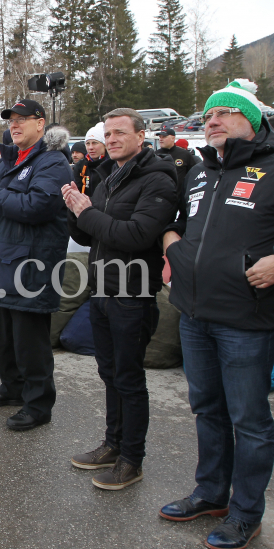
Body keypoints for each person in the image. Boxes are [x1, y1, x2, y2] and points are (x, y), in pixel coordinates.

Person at [160, 79, 274, 549]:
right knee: (206, 408)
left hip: (245, 320)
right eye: (208, 114)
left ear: (251, 121)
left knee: (249, 420)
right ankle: (211, 493)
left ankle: (245, 513)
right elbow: (178, 221)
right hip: (193, 315)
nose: (211, 120)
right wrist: (172, 242)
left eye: (224, 114)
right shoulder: (199, 172)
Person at [63, 108, 178, 490]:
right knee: (109, 373)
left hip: (132, 293)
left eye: (119, 133)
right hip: (101, 291)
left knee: (129, 378)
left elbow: (136, 236)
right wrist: (72, 212)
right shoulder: (107, 177)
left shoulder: (157, 179)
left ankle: (132, 458)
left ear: (141, 136)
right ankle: (112, 444)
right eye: (107, 134)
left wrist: (87, 212)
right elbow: (91, 236)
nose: (111, 140)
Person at [0, 99, 72, 431]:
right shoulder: (10, 160)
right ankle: (12, 387)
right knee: (0, 340)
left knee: (30, 345)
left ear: (40, 124)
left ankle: (38, 404)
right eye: (11, 121)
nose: (15, 126)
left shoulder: (53, 162)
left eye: (22, 120)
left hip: (29, 268)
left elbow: (35, 207)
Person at [156, 127, 200, 194]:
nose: (161, 139)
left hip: (179, 197)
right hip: (160, 196)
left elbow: (193, 174)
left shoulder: (184, 154)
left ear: (173, 138)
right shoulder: (155, 155)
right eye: (160, 137)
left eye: (164, 137)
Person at [73, 122, 106, 195]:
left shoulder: (112, 164)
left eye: (95, 143)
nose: (91, 147)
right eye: (88, 143)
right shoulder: (80, 166)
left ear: (104, 145)